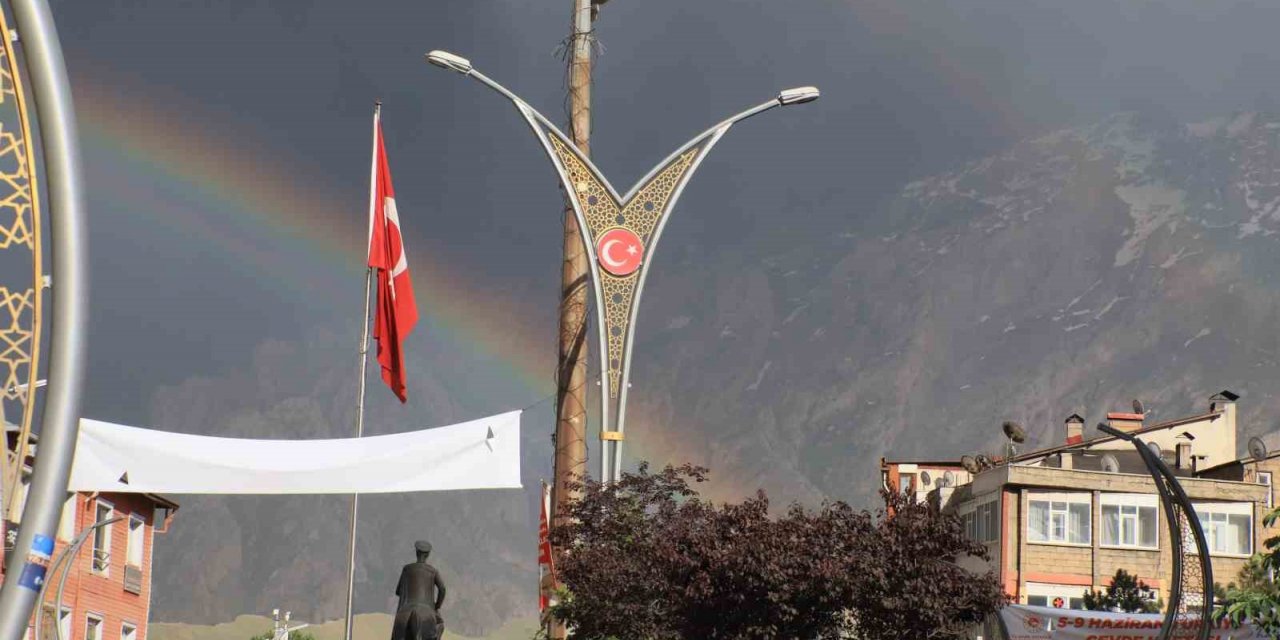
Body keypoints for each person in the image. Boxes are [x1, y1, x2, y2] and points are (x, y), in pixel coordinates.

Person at [391, 540, 446, 640]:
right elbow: (442, 589)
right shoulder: (433, 571)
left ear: (416, 552)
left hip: (405, 610)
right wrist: (436, 606)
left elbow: (398, 591)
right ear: (428, 555)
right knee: (440, 623)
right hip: (427, 610)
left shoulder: (406, 569)